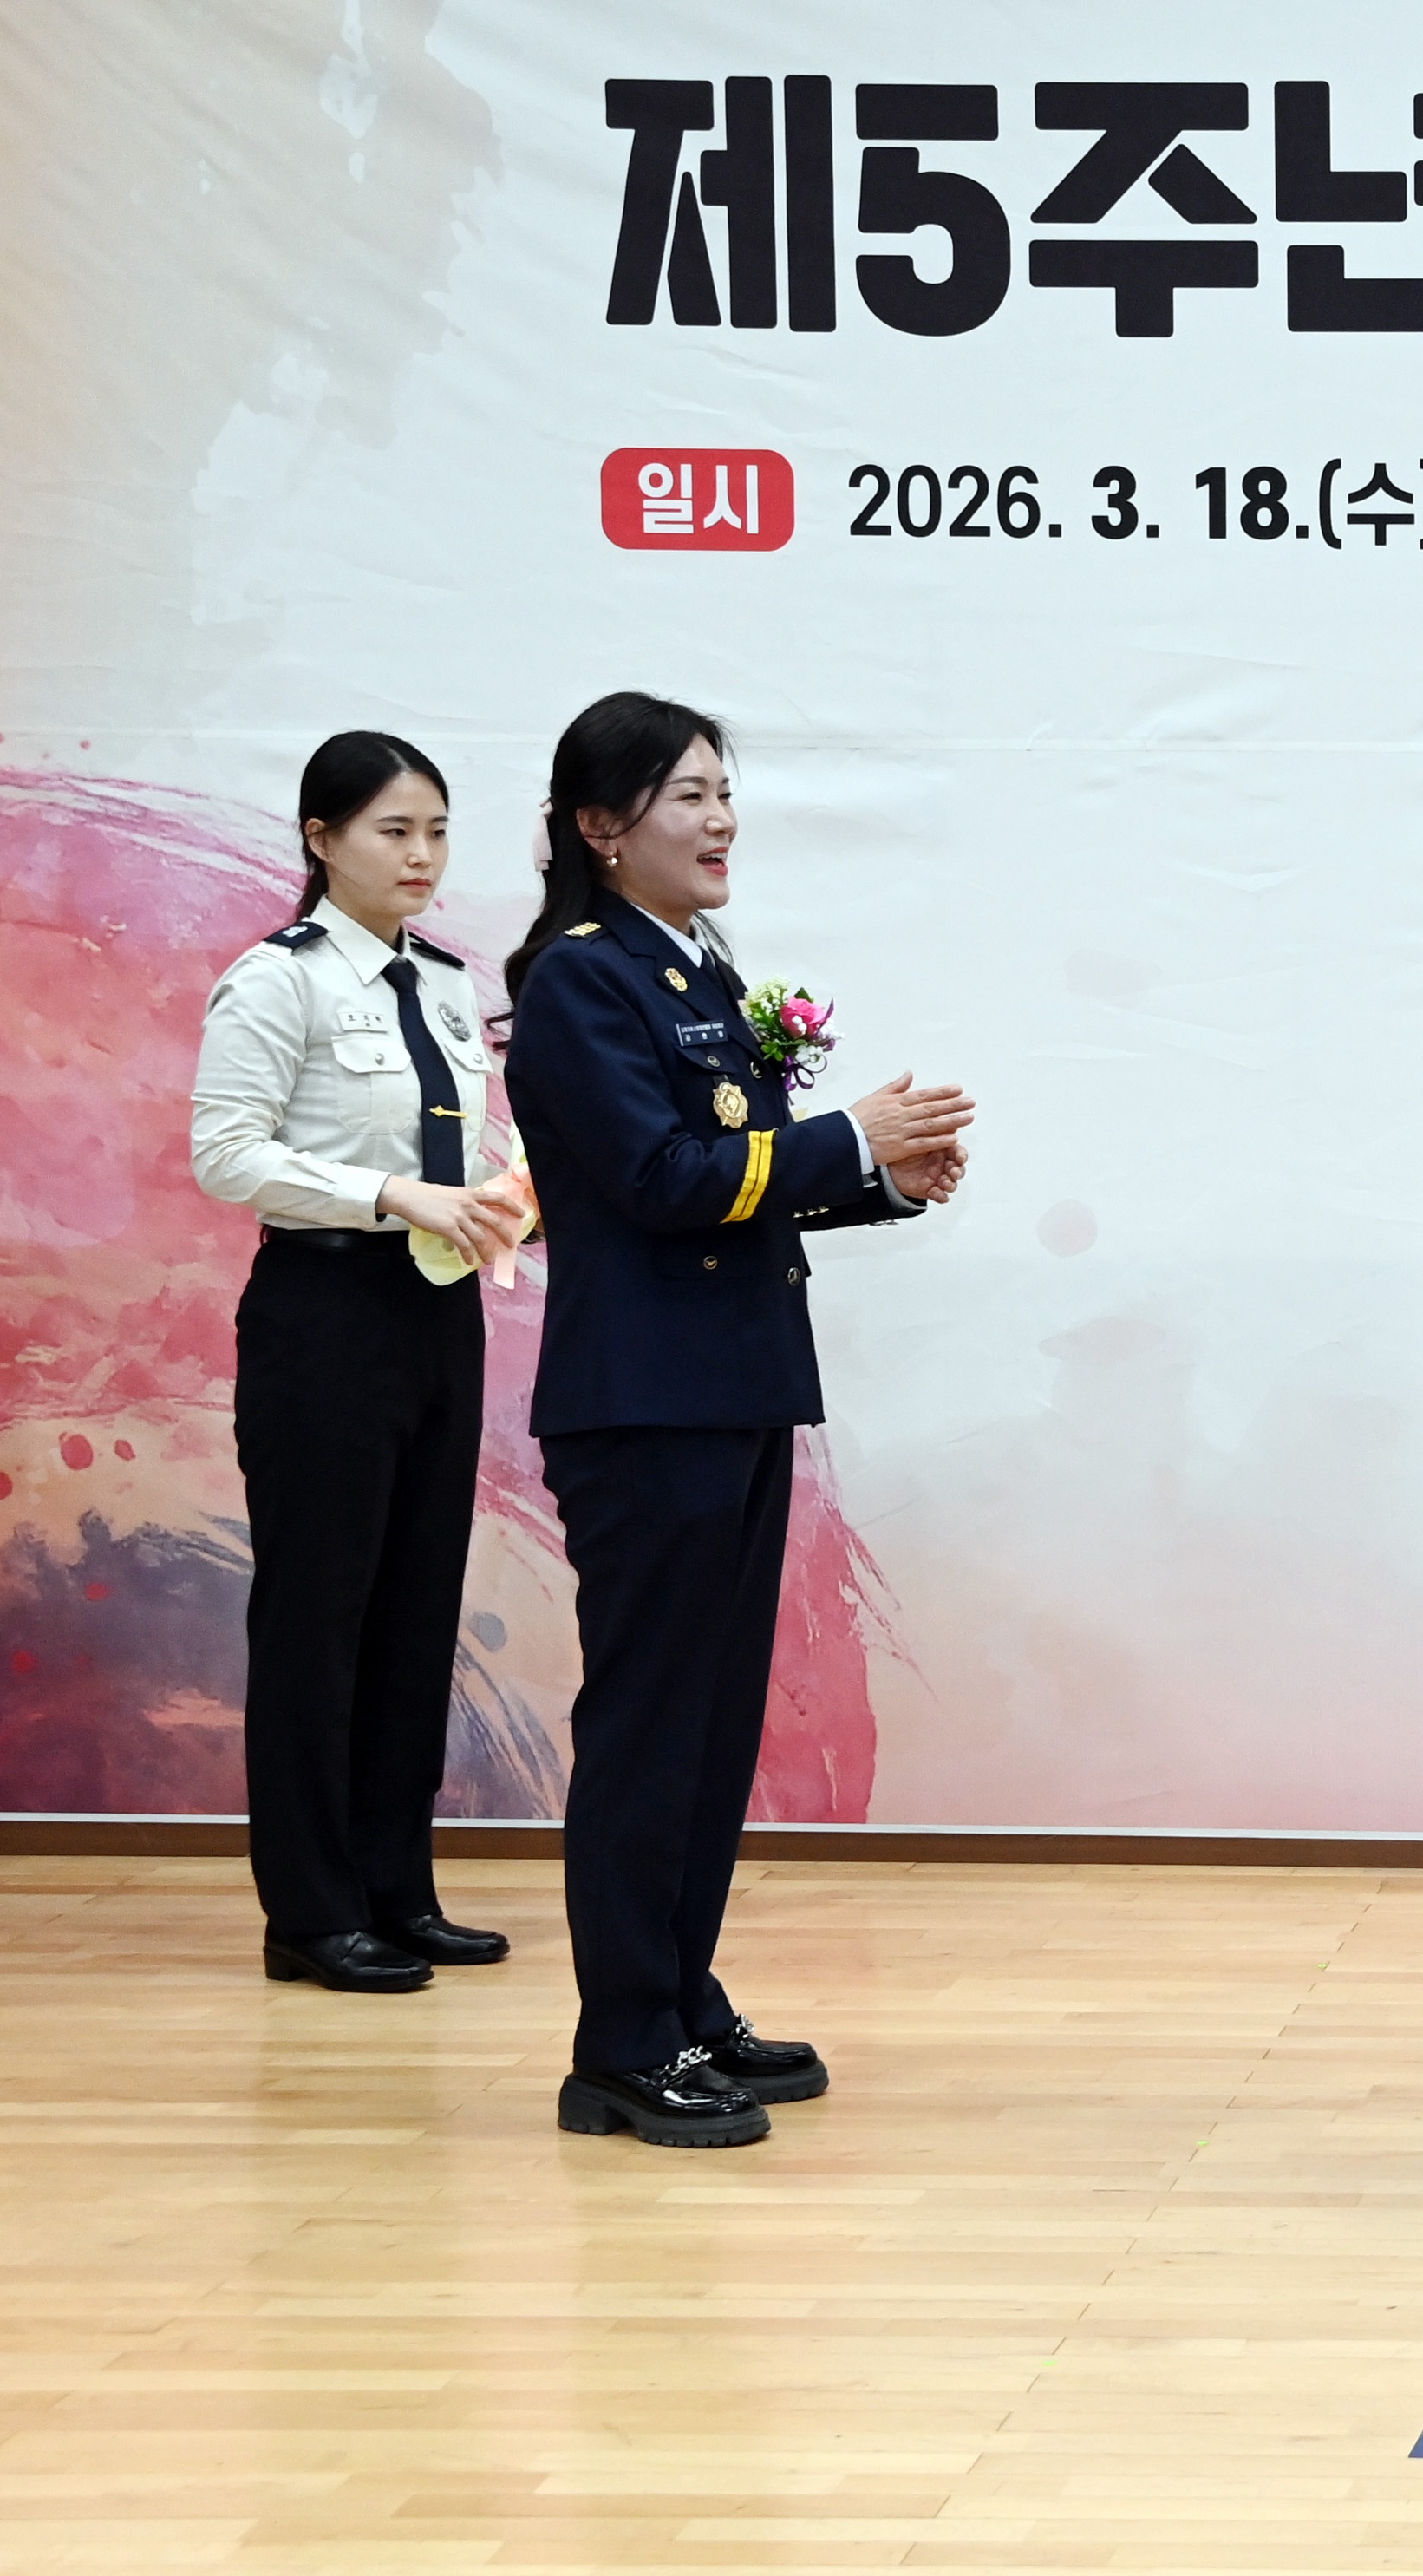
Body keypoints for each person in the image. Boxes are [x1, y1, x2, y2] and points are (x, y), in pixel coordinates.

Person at [500, 692, 973, 2148]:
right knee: (651, 1720)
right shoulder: (580, 981)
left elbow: (740, 1174)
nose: (721, 821)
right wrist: (841, 1140)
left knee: (710, 1724)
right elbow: (659, 1178)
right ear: (601, 826)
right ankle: (621, 2046)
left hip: (730, 1389)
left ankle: (681, 1997)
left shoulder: (692, 964)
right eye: (687, 796)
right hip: (645, 1404)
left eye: (723, 792)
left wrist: (878, 1178)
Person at [190, 732, 526, 1993]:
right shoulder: (274, 980)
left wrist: (507, 1199)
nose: (421, 855)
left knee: (415, 1607)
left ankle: (397, 1886)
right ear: (321, 839)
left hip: (437, 1310)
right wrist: (390, 1193)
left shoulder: (444, 984)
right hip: (322, 1314)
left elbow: (464, 1155)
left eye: (436, 830)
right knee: (317, 1613)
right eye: (394, 830)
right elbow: (227, 1154)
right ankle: (311, 1908)